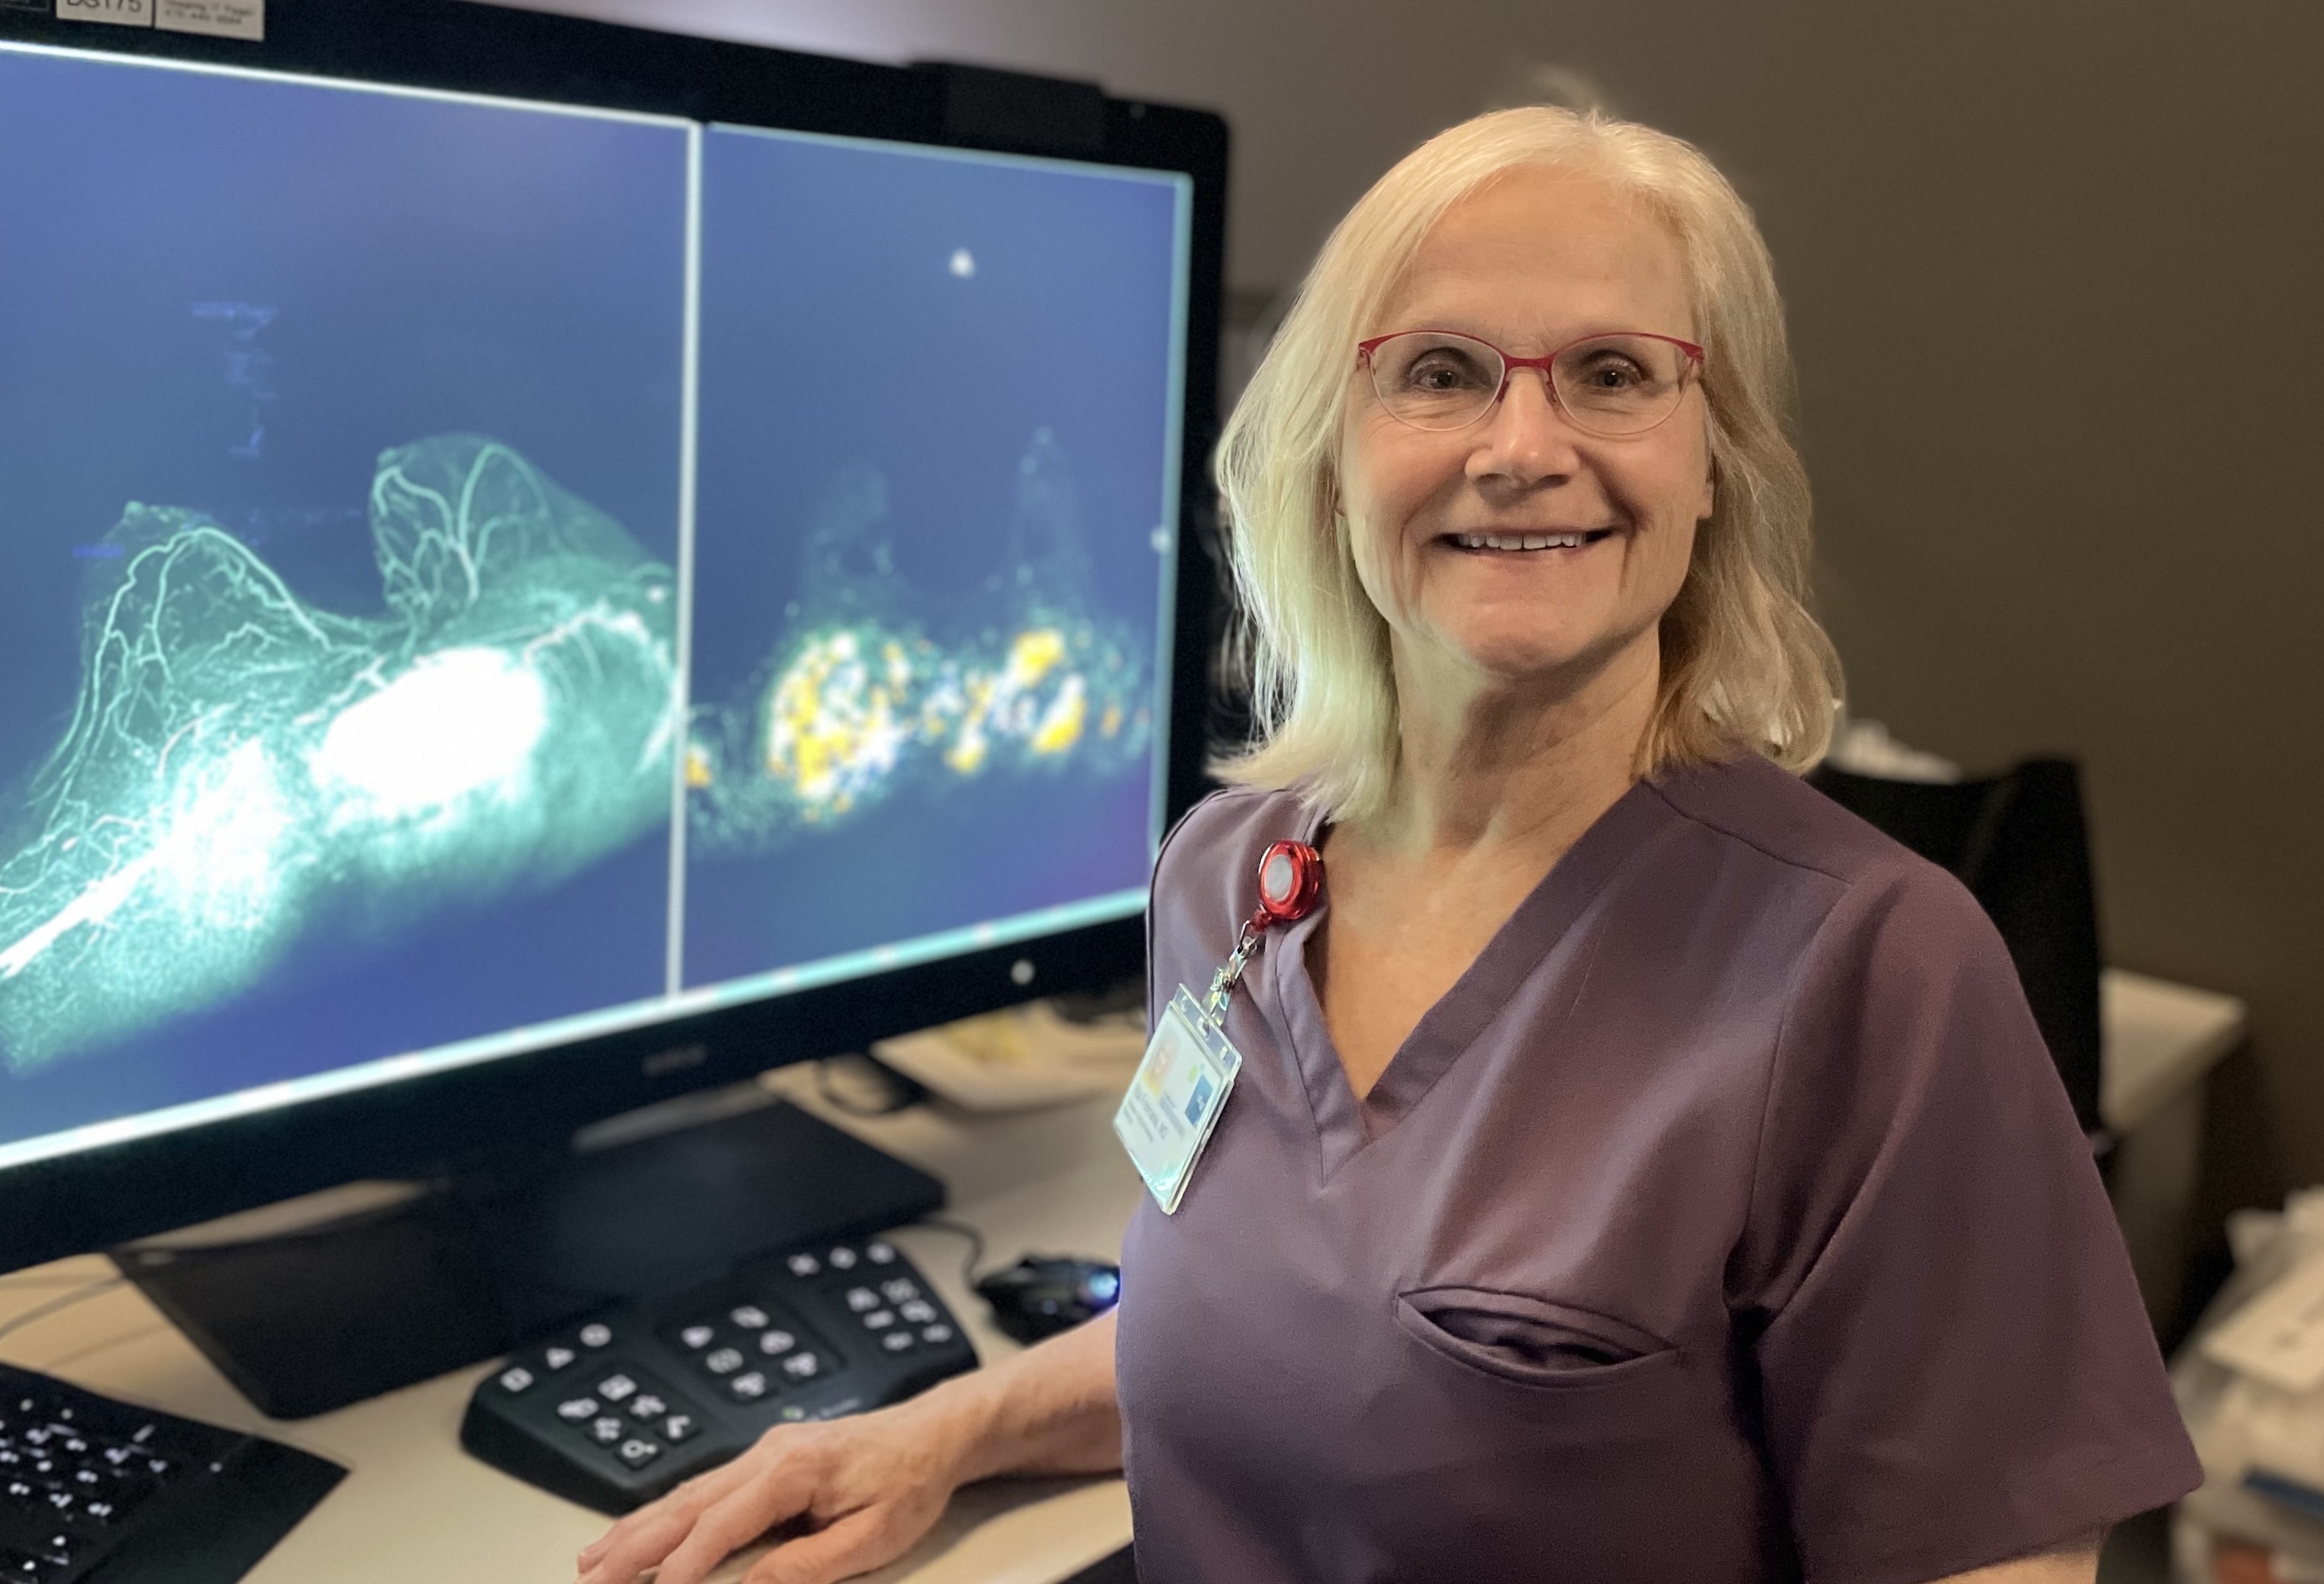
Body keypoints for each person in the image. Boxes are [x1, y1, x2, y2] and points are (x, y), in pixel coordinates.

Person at [577, 107, 2200, 1584]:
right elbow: (1270, 1338)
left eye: (1614, 375)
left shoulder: (1870, 974)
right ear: (1330, 451)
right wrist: (944, 1432)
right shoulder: (1229, 878)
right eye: (1436, 371)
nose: (1517, 446)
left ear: (1712, 462)